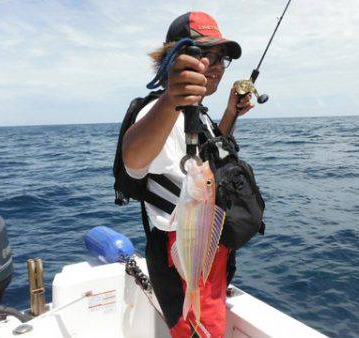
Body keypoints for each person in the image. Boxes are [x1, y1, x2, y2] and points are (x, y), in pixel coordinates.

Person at [121, 12, 254, 337]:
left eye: (221, 57)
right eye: (203, 54)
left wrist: (229, 113)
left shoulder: (198, 114)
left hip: (206, 247)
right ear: (172, 60)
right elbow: (133, 160)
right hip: (183, 251)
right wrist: (171, 99)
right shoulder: (158, 112)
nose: (216, 64)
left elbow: (212, 155)